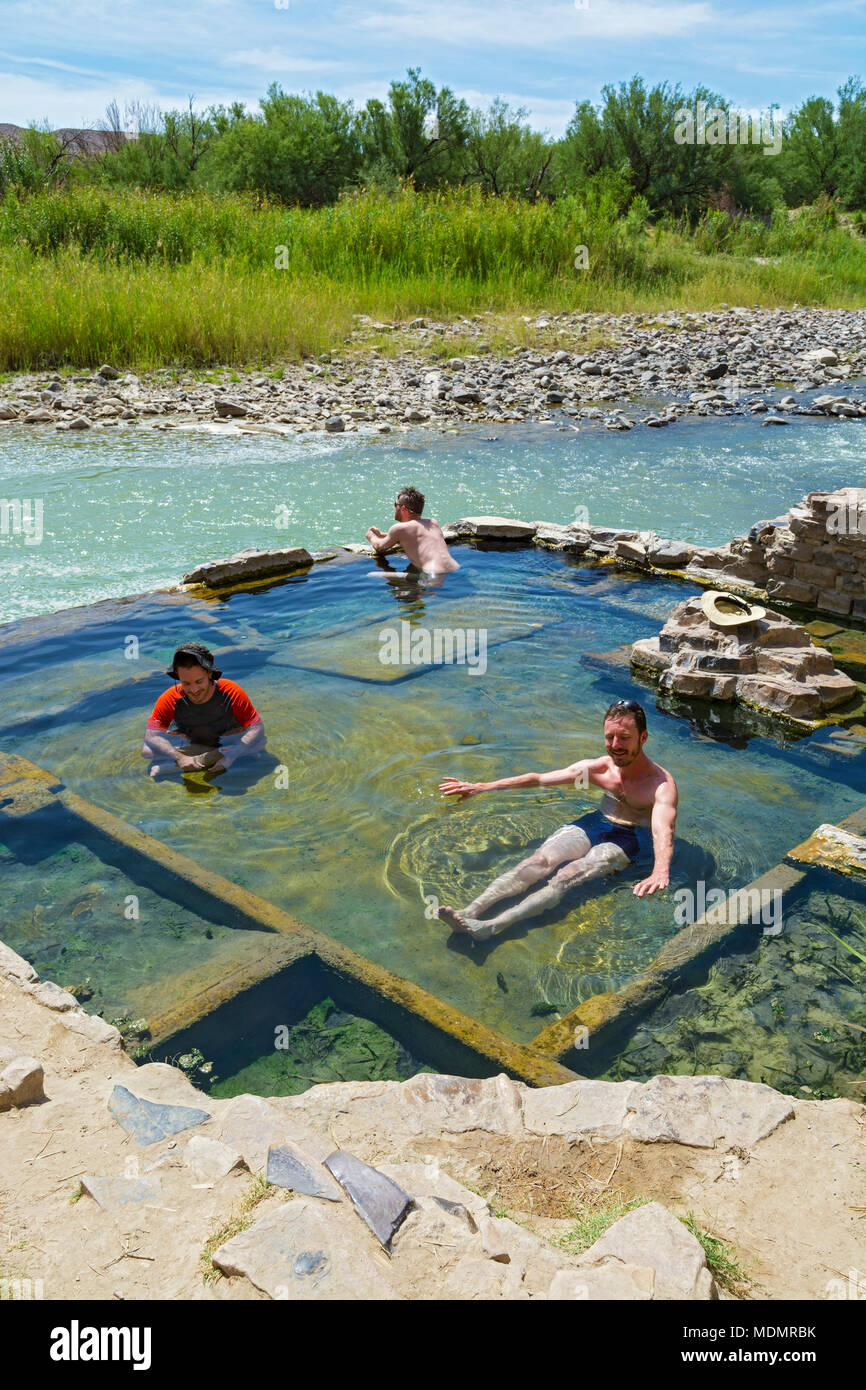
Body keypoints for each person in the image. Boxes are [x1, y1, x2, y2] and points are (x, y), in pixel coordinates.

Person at [436, 699, 677, 941]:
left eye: (624, 737)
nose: (615, 745)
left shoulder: (660, 785)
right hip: (596, 822)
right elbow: (539, 779)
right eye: (609, 737)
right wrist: (482, 786)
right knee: (538, 861)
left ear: (643, 737)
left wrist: (660, 870)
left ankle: (491, 926)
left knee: (566, 876)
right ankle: (469, 911)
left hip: (631, 837)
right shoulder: (599, 769)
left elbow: (663, 830)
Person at [142, 642, 266, 779]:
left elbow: (257, 727)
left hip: (225, 739)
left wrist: (232, 754)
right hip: (193, 740)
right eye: (186, 683)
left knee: (259, 742)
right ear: (178, 676)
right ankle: (209, 759)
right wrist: (180, 757)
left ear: (209, 673)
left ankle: (176, 766)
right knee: (147, 751)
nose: (194, 690)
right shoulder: (170, 698)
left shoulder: (230, 691)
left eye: (199, 681)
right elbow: (151, 736)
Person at [365, 487, 460, 575]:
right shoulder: (433, 523)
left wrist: (371, 536)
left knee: (372, 575)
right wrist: (382, 534)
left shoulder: (399, 528)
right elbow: (413, 537)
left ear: (403, 509)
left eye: (395, 504)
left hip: (433, 574)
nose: (394, 508)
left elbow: (379, 547)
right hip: (455, 570)